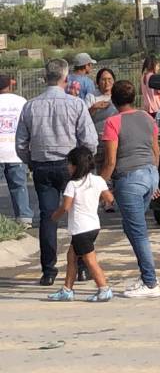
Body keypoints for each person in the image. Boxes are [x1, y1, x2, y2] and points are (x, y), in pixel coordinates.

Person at [15, 58, 97, 286]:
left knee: (48, 218)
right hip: (71, 165)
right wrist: (84, 163)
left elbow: (21, 144)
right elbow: (89, 140)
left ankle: (48, 271)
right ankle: (81, 267)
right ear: (66, 78)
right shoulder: (76, 104)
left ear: (45, 78)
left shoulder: (30, 106)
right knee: (77, 215)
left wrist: (31, 161)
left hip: (42, 166)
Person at [99, 79, 160, 298]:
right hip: (149, 174)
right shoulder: (147, 117)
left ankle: (150, 282)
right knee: (131, 226)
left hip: (130, 180)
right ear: (133, 98)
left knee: (138, 232)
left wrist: (98, 185)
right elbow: (156, 150)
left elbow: (110, 162)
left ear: (113, 100)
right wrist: (155, 179)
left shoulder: (112, 122)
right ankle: (146, 276)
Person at [46, 146, 113, 303]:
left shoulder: (73, 185)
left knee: (90, 260)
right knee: (71, 256)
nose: (68, 167)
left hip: (80, 229)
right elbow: (109, 199)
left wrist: (54, 217)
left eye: (69, 164)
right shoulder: (98, 180)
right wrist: (94, 200)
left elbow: (66, 207)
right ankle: (67, 289)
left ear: (76, 166)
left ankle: (104, 289)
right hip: (93, 226)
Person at [0, 74, 33, 227]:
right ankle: (24, 218)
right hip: (15, 152)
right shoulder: (21, 101)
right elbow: (28, 125)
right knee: (19, 186)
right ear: (10, 85)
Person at [90, 68, 118, 137]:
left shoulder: (118, 94)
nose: (107, 82)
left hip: (116, 135)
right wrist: (94, 108)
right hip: (98, 136)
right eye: (103, 79)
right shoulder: (92, 96)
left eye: (109, 79)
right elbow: (85, 117)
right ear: (98, 81)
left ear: (114, 80)